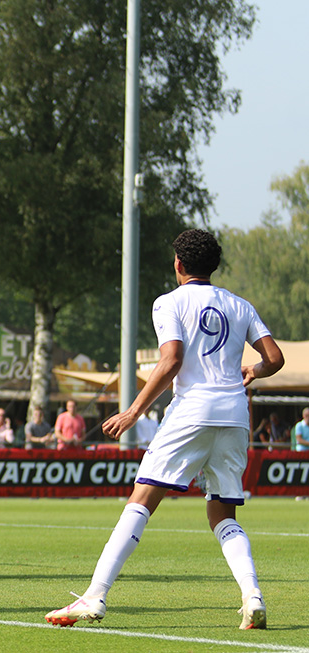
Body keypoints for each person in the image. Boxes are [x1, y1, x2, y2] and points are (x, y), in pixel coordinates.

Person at [46, 229, 284, 630]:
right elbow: (274, 358)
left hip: (191, 412)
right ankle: (253, 596)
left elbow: (171, 359)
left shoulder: (169, 302)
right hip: (234, 415)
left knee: (140, 502)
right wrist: (253, 370)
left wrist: (133, 411)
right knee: (223, 514)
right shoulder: (240, 304)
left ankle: (95, 595)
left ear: (178, 264)